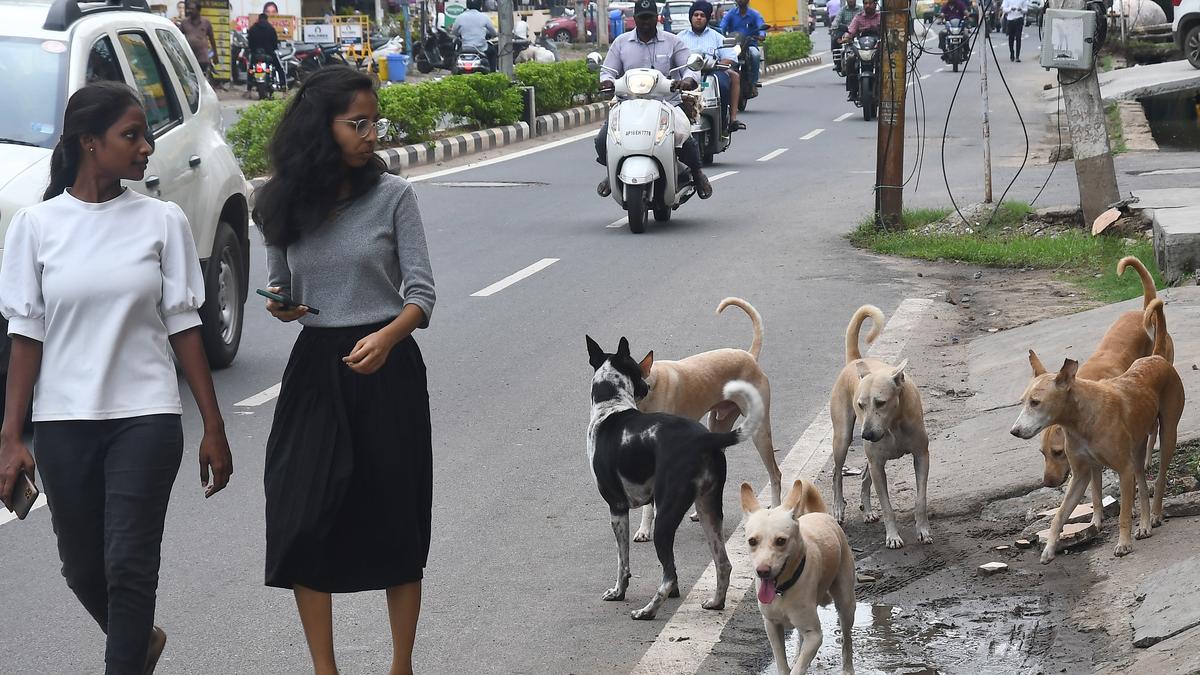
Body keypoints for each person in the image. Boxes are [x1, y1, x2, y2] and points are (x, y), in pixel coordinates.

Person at [0, 81, 233, 675]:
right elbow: (27, 335)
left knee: (130, 566)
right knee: (82, 570)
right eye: (131, 135)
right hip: (62, 424)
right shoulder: (34, 226)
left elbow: (185, 325)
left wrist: (212, 423)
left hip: (146, 418)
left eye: (146, 134)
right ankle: (142, 642)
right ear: (88, 143)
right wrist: (10, 438)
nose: (147, 147)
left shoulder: (162, 221)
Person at [253, 66, 435, 675]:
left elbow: (422, 295)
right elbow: (280, 288)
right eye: (357, 122)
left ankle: (400, 665)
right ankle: (323, 669)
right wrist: (280, 303)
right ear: (320, 127)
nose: (370, 133)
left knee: (394, 514)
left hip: (388, 368)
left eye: (374, 121)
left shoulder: (395, 197)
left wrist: (386, 337)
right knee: (301, 514)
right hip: (315, 370)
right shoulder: (280, 201)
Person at [594, 0, 712, 200]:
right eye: (642, 18)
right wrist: (606, 82)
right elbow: (608, 71)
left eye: (650, 17)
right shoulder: (621, 43)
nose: (646, 22)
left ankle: (698, 174)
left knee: (684, 138)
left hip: (667, 104)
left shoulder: (672, 41)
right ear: (635, 19)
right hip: (627, 105)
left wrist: (688, 80)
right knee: (602, 139)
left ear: (656, 18)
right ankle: (612, 171)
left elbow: (689, 67)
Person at [676, 0, 745, 133]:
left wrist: (717, 64)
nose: (699, 18)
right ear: (691, 17)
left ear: (707, 18)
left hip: (712, 72)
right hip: (687, 73)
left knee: (726, 83)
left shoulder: (716, 37)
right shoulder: (680, 38)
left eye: (702, 15)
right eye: (696, 15)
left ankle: (727, 121)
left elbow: (730, 57)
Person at [718, 0, 766, 90]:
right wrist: (720, 34)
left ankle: (753, 83)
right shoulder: (731, 13)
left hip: (749, 45)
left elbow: (761, 26)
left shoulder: (754, 14)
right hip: (734, 45)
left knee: (755, 54)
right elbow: (722, 26)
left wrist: (761, 35)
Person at [840, 0, 880, 99]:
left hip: (878, 48)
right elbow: (851, 31)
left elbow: (889, 30)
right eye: (865, 3)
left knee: (888, 61)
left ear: (875, 4)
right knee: (850, 60)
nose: (868, 5)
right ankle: (853, 90)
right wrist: (846, 37)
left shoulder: (881, 17)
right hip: (861, 48)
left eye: (870, 3)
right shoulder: (858, 18)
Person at [179, 1, 219, 86]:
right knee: (191, 81)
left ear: (198, 10)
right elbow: (178, 36)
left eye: (192, 9)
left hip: (202, 58)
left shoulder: (206, 23)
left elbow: (212, 39)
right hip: (188, 57)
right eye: (189, 9)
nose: (189, 11)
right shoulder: (184, 23)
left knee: (202, 81)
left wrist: (215, 55)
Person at [451, 0, 497, 65]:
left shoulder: (460, 17)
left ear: (467, 5)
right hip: (481, 48)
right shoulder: (484, 17)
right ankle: (493, 73)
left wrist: (460, 33)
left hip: (465, 47)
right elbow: (494, 33)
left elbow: (454, 32)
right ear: (480, 5)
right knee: (493, 53)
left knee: (455, 55)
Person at [247, 12, 282, 94]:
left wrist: (252, 50)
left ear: (259, 19)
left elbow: (250, 42)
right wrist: (273, 49)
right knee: (279, 69)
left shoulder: (253, 28)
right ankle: (283, 87)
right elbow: (275, 42)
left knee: (251, 70)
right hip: (269, 54)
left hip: (256, 55)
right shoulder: (271, 28)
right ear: (266, 19)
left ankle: (249, 89)